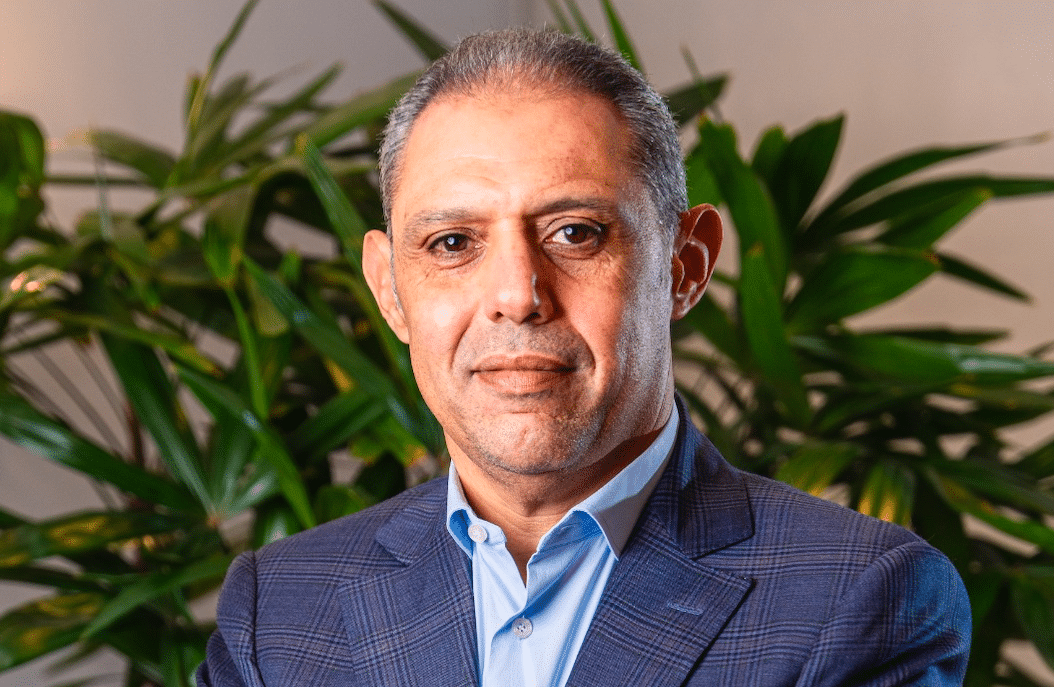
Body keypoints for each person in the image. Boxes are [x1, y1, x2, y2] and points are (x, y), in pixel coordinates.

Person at [197, 28, 971, 687]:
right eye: (452, 242)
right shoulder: (277, 612)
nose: (517, 296)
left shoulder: (860, 598)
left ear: (685, 265)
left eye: (575, 233)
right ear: (390, 288)